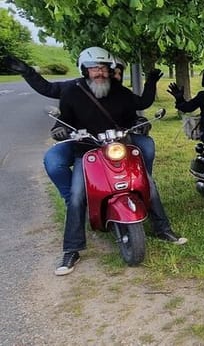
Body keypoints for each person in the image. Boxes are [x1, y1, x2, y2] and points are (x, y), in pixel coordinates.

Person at [52, 47, 186, 276]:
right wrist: (60, 130)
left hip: (119, 148)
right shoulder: (72, 93)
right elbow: (63, 122)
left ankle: (163, 229)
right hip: (87, 151)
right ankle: (71, 249)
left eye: (103, 68)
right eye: (94, 68)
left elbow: (132, 114)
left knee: (148, 184)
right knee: (76, 196)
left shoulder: (119, 92)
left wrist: (141, 122)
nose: (100, 73)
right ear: (85, 69)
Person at [1, 52, 162, 208]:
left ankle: (141, 183)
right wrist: (28, 72)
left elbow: (136, 109)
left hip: (115, 142)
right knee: (53, 160)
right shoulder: (74, 88)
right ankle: (72, 200)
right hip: (83, 142)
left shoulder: (119, 92)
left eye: (117, 73)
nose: (115, 77)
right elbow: (49, 91)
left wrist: (140, 120)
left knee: (147, 145)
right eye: (114, 73)